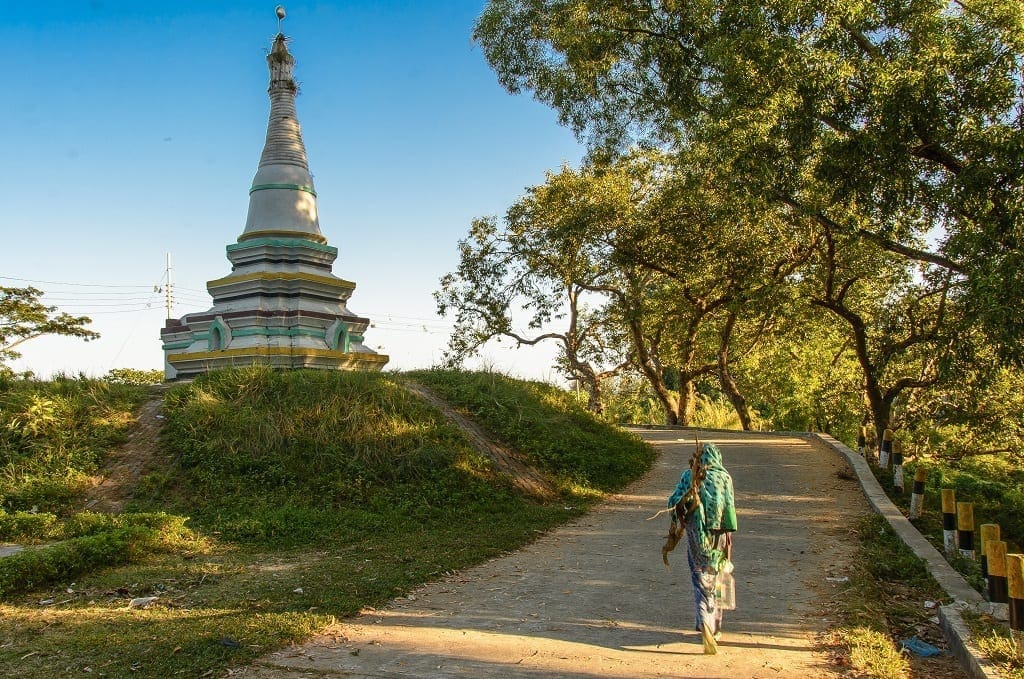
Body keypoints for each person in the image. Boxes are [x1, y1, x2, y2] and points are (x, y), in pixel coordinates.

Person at [666, 441, 737, 654]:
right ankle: (714, 625)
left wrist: (677, 520)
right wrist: (728, 536)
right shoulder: (725, 478)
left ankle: (704, 620)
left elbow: (674, 501)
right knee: (715, 573)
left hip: (697, 535)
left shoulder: (690, 475)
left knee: (699, 576)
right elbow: (730, 510)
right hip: (719, 533)